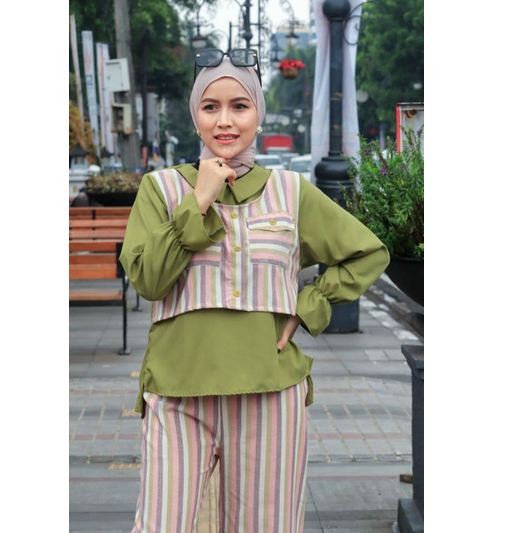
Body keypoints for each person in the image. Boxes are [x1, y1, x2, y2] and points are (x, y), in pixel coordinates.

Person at [119, 48, 390, 533]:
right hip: (177, 391)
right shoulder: (160, 189)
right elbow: (148, 280)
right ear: (195, 115)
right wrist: (199, 199)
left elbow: (367, 253)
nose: (225, 120)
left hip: (271, 393)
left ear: (258, 114)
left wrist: (309, 305)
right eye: (211, 107)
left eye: (239, 106)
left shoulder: (291, 191)